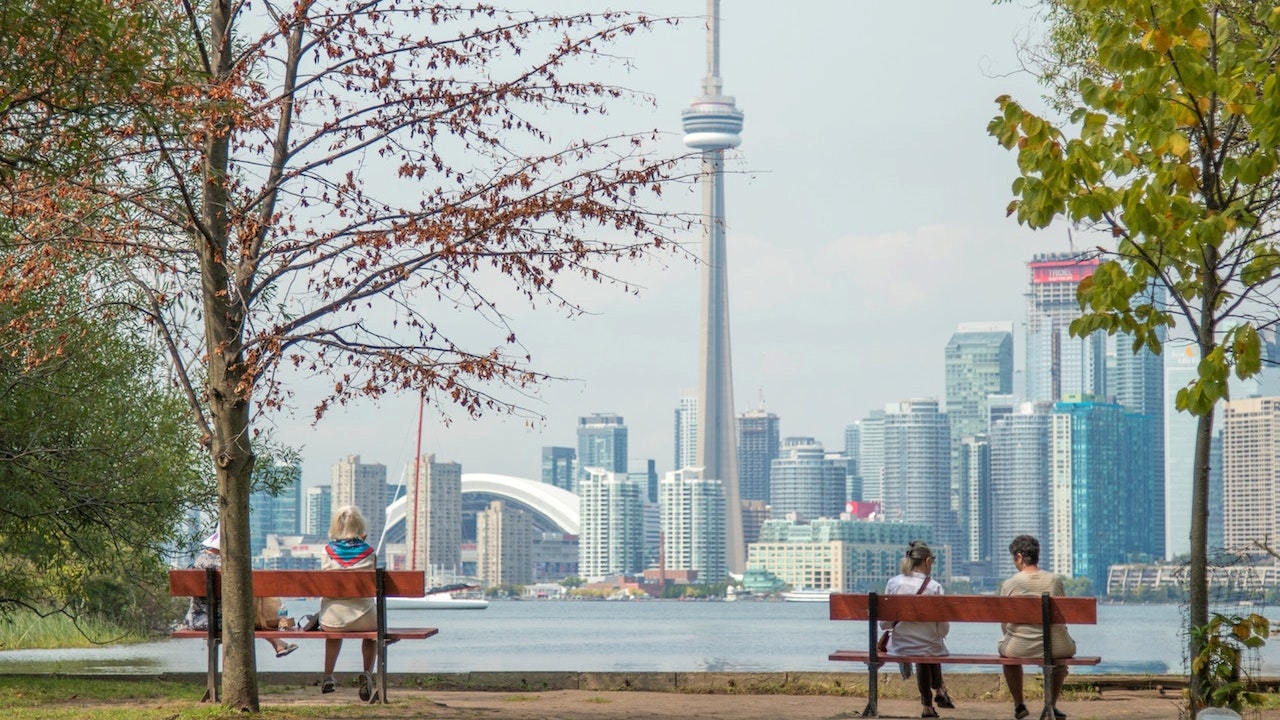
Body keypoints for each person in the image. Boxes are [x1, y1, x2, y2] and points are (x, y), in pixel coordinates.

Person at [184, 529, 298, 658]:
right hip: (225, 622)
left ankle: (278, 644)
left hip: (197, 620)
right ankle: (278, 643)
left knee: (247, 617)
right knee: (248, 618)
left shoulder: (199, 560)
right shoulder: (230, 565)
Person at [998, 535, 1076, 720]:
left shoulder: (1009, 584)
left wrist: (1011, 636)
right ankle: (1051, 704)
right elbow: (1061, 619)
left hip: (1019, 647)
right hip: (1056, 646)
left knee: (1007, 654)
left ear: (1018, 557)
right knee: (1059, 653)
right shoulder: (1055, 581)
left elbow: (1004, 624)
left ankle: (1019, 704)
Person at [883, 540, 954, 718]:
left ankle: (930, 703)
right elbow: (943, 629)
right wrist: (937, 635)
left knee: (926, 649)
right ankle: (936, 694)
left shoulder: (893, 583)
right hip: (930, 647)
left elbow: (885, 624)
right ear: (927, 561)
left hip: (900, 646)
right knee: (929, 648)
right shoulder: (935, 587)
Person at [319, 505, 377, 700]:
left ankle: (328, 675)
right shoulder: (369, 552)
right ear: (360, 526)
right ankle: (367, 673)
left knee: (333, 632)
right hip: (365, 617)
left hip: (331, 619)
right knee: (372, 636)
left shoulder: (327, 552)